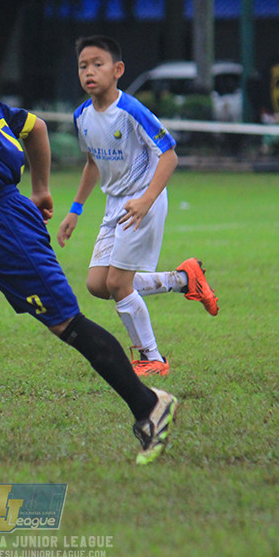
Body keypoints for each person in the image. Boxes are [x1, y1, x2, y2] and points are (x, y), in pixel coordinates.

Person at [0, 15, 176, 465]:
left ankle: (150, 405)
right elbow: (36, 128)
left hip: (3, 225)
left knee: (69, 326)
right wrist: (41, 189)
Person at [56, 35, 218, 377]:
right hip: (115, 203)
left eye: (97, 64)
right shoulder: (82, 115)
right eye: (83, 65)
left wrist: (146, 200)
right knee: (98, 284)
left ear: (118, 70)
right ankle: (184, 279)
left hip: (144, 199)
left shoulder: (131, 111)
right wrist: (75, 210)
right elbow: (92, 164)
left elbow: (169, 155)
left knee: (118, 284)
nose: (89, 71)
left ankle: (152, 358)